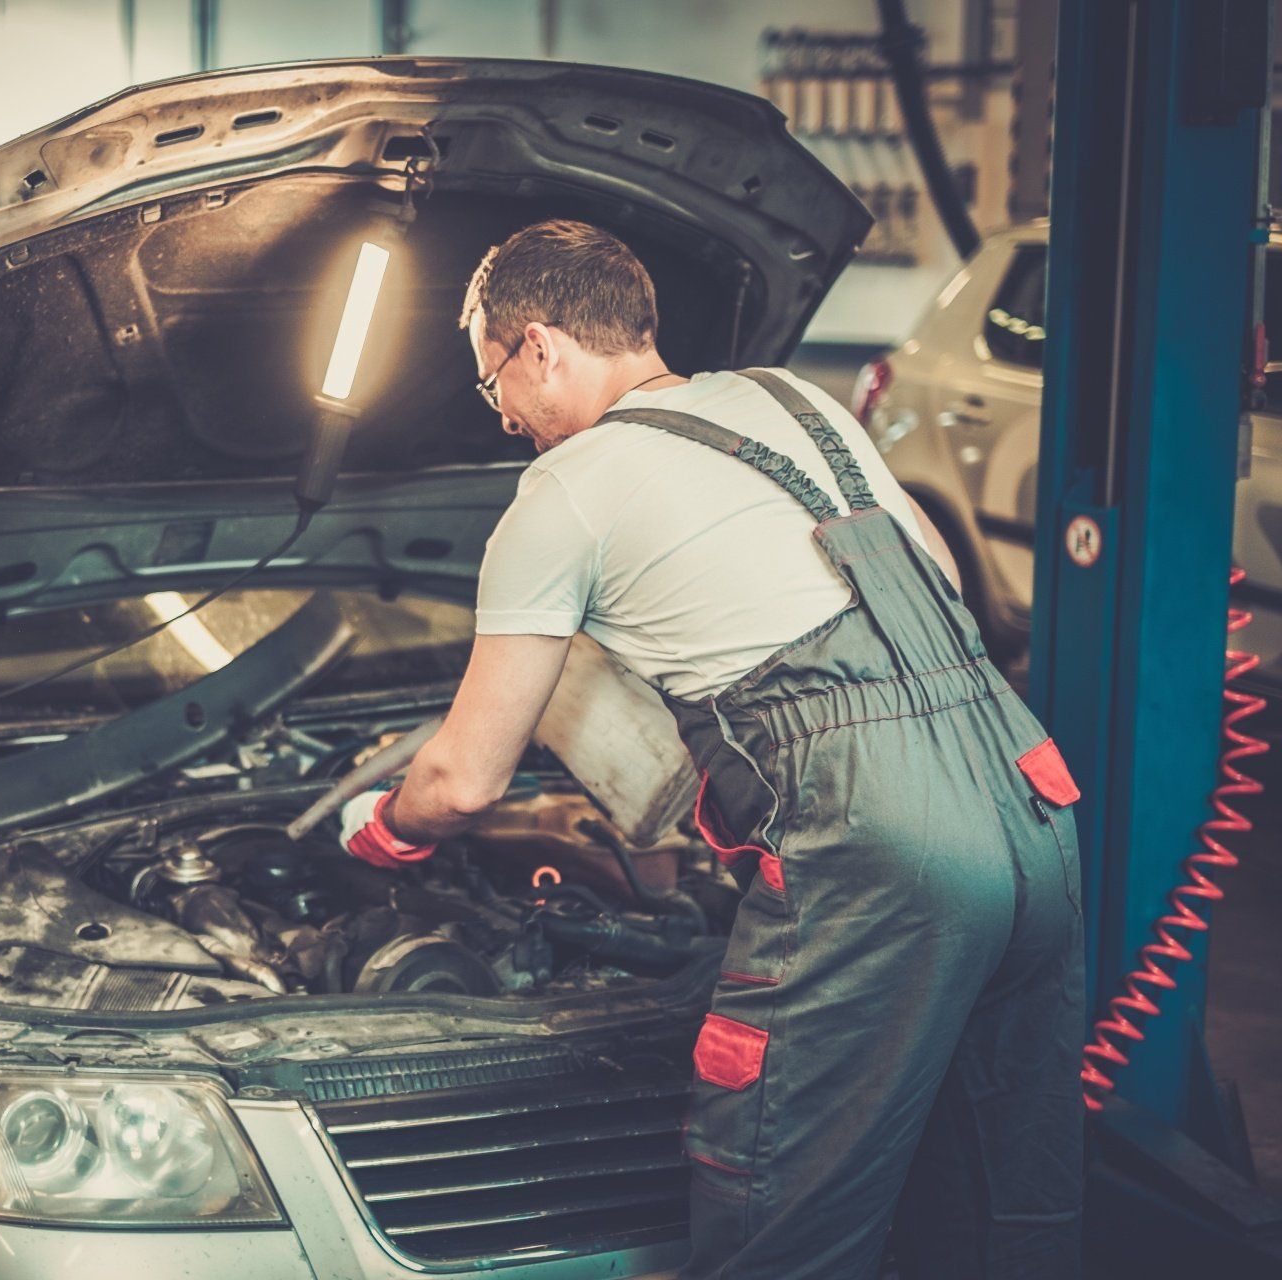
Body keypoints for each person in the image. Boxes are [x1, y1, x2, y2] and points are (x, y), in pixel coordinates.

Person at [339, 220, 1084, 1279]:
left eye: (491, 378)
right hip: (1027, 801)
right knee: (995, 1194)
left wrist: (378, 835)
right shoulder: (798, 399)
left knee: (782, 1213)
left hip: (884, 848)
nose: (500, 412)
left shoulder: (565, 490)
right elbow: (940, 589)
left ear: (541, 346)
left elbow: (463, 778)